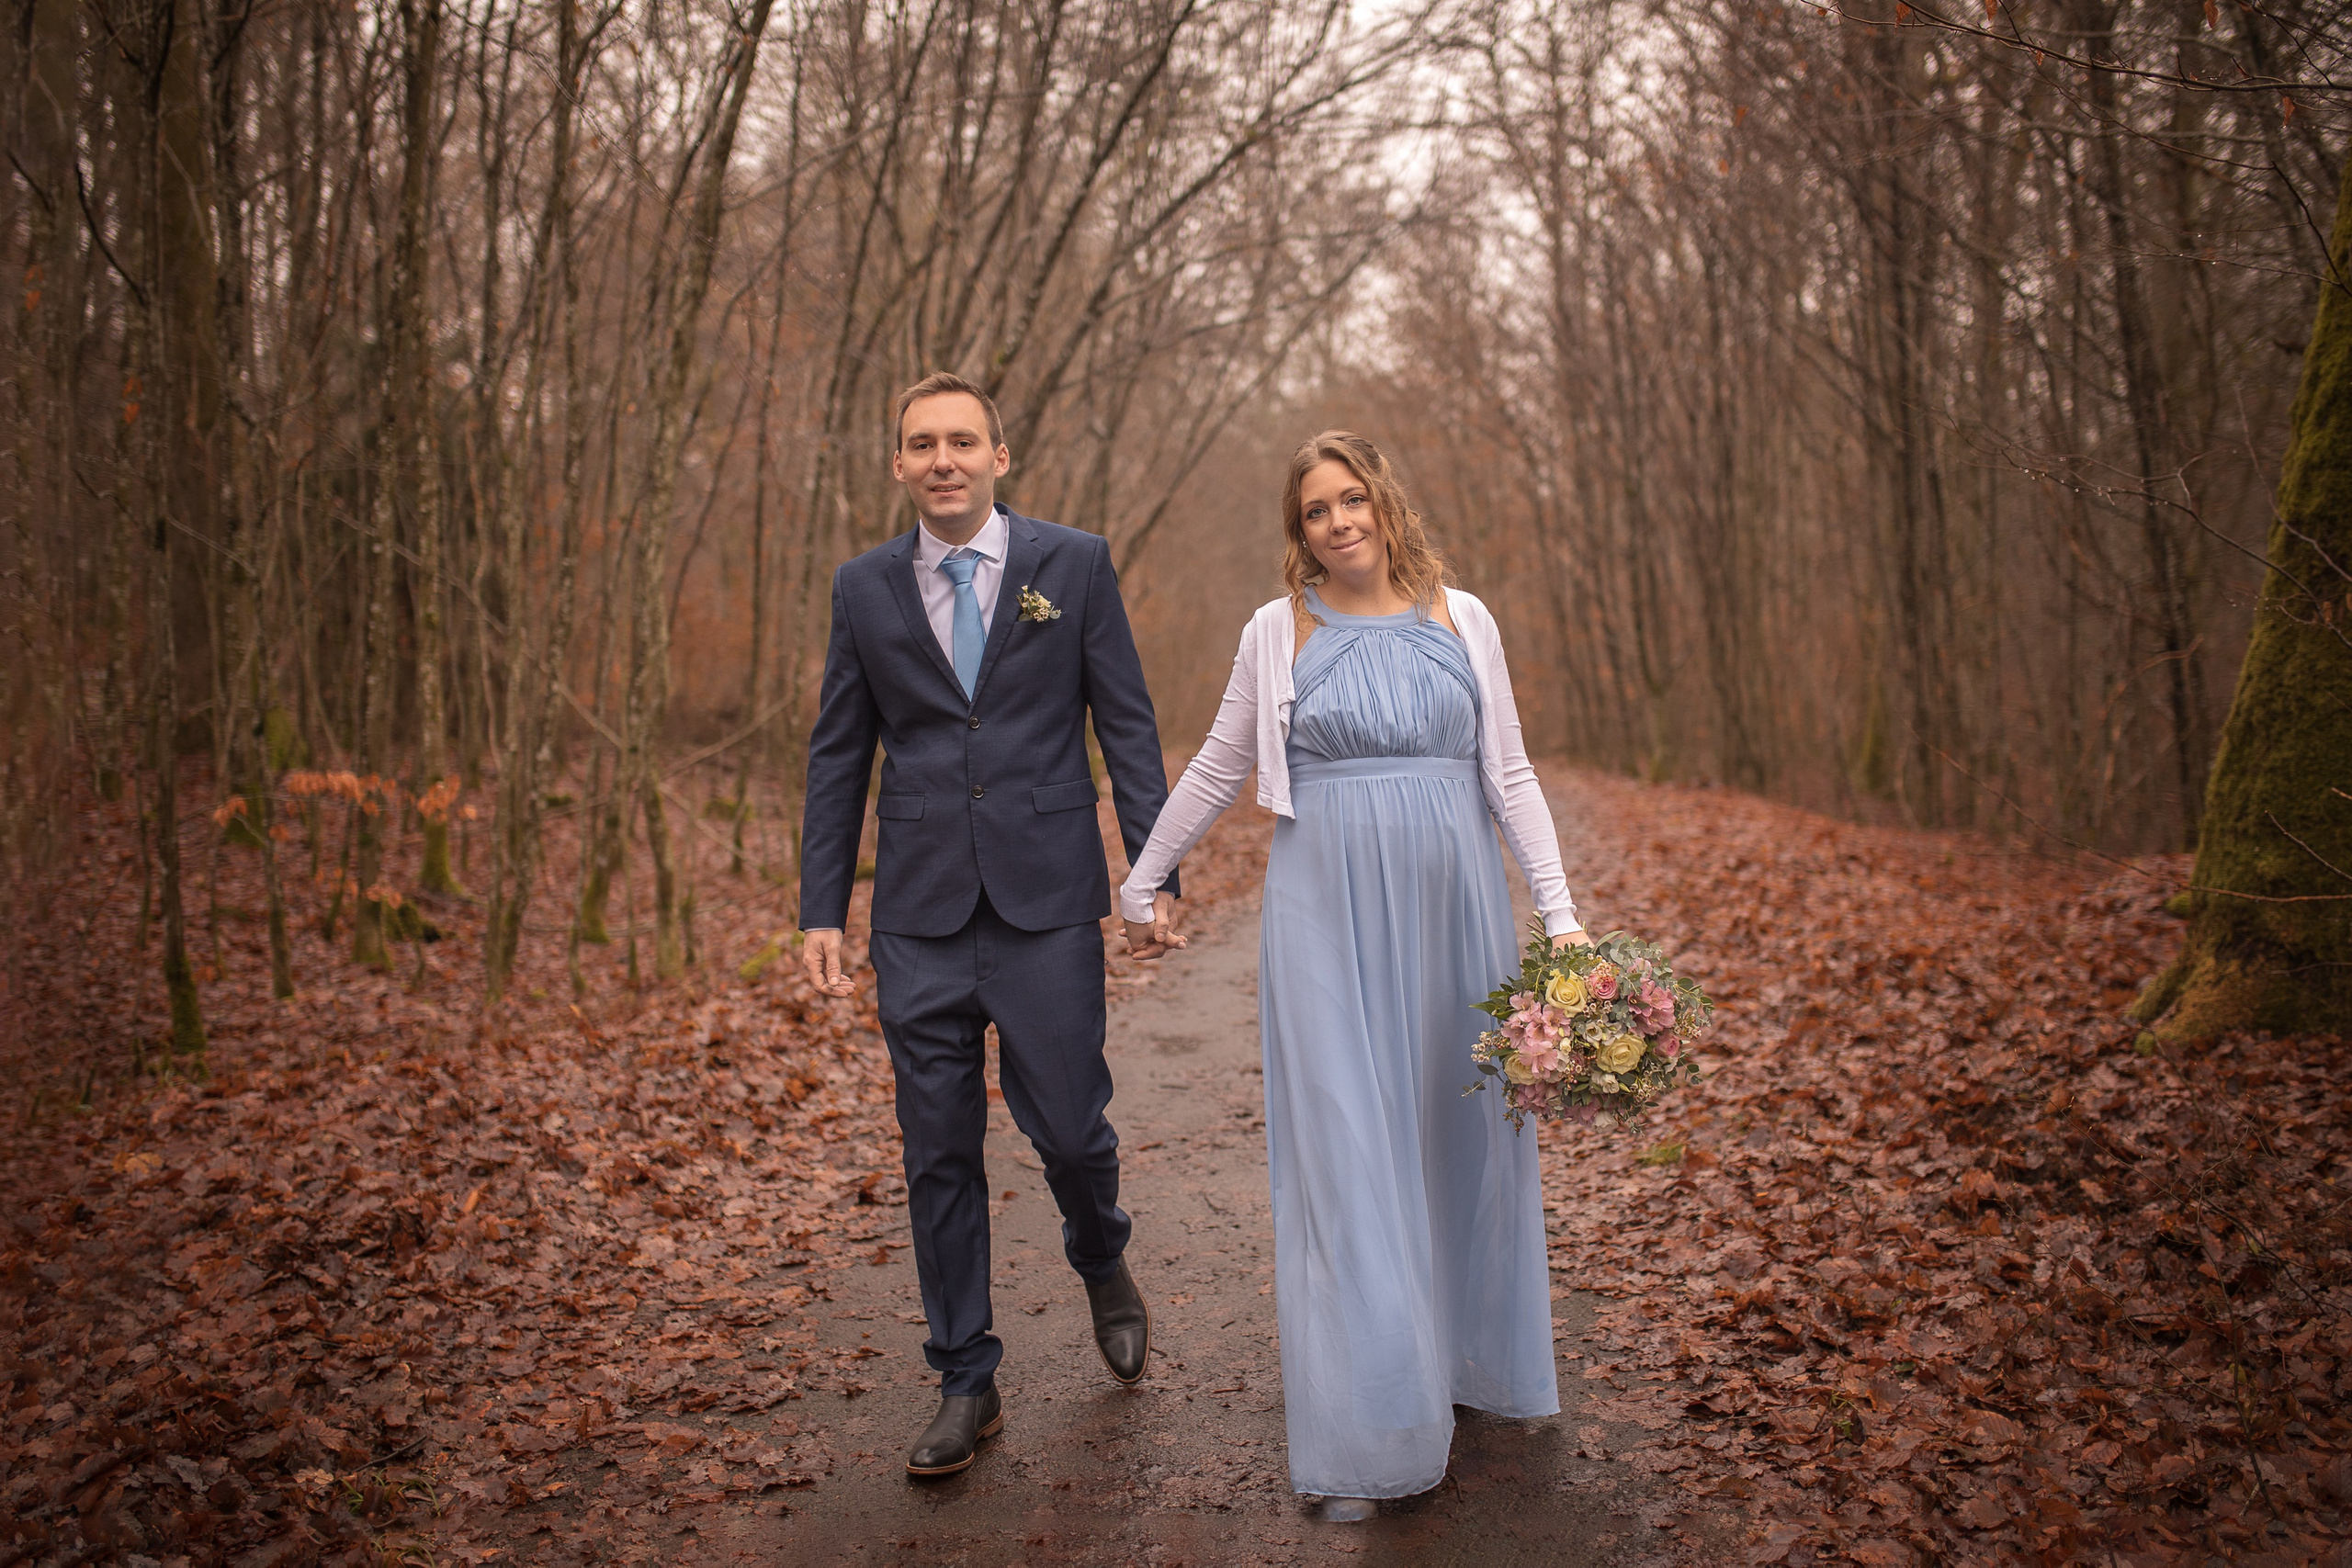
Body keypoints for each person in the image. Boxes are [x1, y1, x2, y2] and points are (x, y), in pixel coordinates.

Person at [1117, 431, 1585, 1517]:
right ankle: (1369, 1431)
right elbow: (1221, 763)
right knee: (1347, 1150)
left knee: (1459, 1134)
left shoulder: (1463, 619)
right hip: (1324, 914)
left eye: (1351, 499)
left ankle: (1463, 1362)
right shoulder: (1275, 631)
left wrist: (1559, 915)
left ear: (1385, 502)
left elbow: (1508, 772)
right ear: (1300, 533)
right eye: (1315, 510)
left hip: (1456, 911)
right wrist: (1143, 877)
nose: (1338, 522)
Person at [799, 371, 1182, 1477]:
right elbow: (838, 752)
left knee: (1068, 1129)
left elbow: (1125, 722)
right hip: (916, 913)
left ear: (998, 457)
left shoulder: (1075, 564)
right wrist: (821, 908)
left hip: (1045, 900)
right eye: (922, 443)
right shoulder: (862, 587)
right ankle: (965, 1376)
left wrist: (1151, 872)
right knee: (938, 1151)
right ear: (899, 464)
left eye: (962, 441)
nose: (943, 460)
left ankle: (1100, 1256)